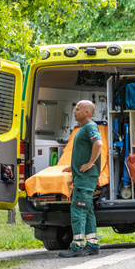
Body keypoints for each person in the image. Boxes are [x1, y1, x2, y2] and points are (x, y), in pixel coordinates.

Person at [59, 100, 103, 258]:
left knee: (78, 210)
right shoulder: (83, 128)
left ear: (86, 113)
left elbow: (98, 144)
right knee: (88, 211)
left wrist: (90, 163)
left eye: (77, 109)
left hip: (85, 178)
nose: (74, 111)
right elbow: (83, 151)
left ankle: (77, 246)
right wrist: (73, 167)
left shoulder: (90, 127)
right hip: (82, 176)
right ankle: (92, 245)